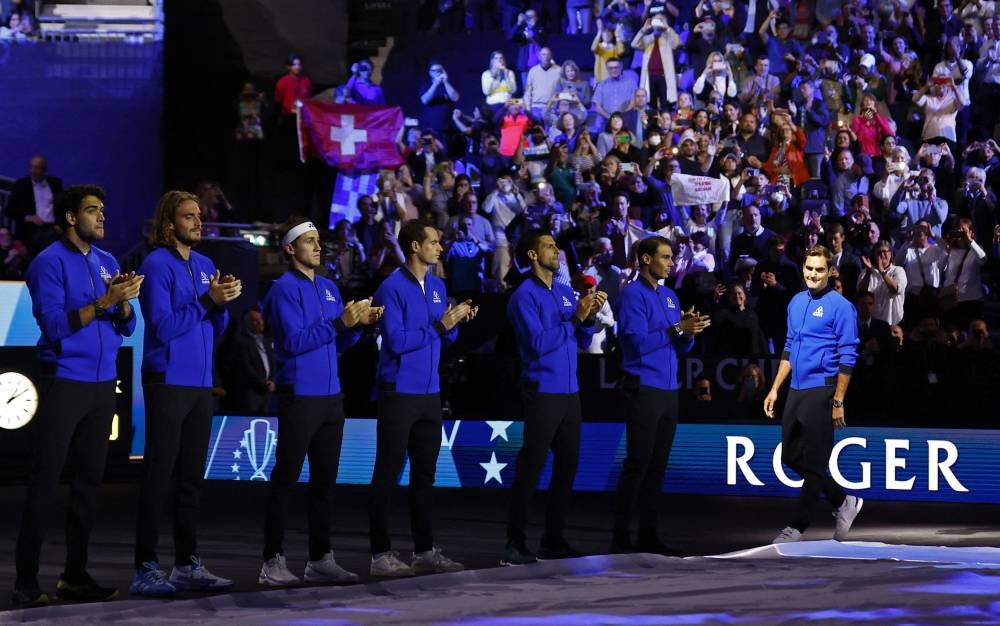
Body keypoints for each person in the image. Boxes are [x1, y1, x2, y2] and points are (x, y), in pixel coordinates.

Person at [13, 185, 141, 608]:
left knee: (89, 485)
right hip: (65, 380)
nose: (101, 217)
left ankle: (75, 576)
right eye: (92, 211)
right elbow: (53, 327)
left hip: (103, 385)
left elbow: (127, 325)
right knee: (45, 483)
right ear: (70, 218)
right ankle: (26, 581)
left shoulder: (107, 261)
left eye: (102, 210)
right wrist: (107, 301)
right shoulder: (47, 263)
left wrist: (122, 305)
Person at [258, 218, 382, 587]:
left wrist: (357, 327)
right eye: (309, 241)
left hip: (331, 396)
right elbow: (293, 342)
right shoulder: (283, 289)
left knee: (325, 482)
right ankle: (272, 560)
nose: (317, 247)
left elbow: (336, 344)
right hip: (300, 393)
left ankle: (320, 557)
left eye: (317, 241)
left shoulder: (328, 287)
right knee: (286, 479)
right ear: (290, 249)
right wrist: (342, 323)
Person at [132, 191, 242, 596]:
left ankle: (185, 563)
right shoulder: (156, 264)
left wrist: (223, 302)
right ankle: (144, 567)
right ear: (169, 222)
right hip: (167, 380)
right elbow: (161, 326)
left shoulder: (206, 264)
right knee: (159, 476)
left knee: (191, 480)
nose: (199, 222)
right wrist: (207, 301)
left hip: (199, 384)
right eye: (188, 216)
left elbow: (217, 327)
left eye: (199, 215)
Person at [368, 220, 477, 577]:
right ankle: (380, 554)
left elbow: (444, 340)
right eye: (433, 242)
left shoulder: (437, 285)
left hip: (430, 393)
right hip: (399, 392)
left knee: (425, 476)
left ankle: (424, 550)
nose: (439, 248)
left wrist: (457, 321)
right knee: (387, 473)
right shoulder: (390, 288)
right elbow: (397, 342)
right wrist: (440, 326)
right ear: (415, 247)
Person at [503, 229, 606, 565]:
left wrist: (588, 317)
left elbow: (580, 339)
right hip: (542, 390)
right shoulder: (523, 296)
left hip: (570, 392)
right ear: (532, 255)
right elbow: (536, 344)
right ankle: (515, 543)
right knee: (531, 468)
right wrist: (576, 317)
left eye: (556, 245)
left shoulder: (564, 292)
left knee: (567, 467)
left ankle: (553, 540)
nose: (556, 250)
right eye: (548, 246)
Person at [612, 236, 709, 555]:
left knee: (657, 466)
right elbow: (636, 343)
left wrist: (688, 332)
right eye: (665, 257)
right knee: (638, 463)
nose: (671, 263)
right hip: (643, 386)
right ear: (645, 260)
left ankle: (648, 534)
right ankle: (620, 536)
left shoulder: (669, 296)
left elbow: (680, 345)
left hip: (669, 390)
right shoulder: (632, 295)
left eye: (671, 258)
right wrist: (676, 331)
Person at [763, 245, 862, 544]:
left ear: (830, 272)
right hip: (796, 389)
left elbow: (848, 355)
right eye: (809, 268)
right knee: (791, 456)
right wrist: (775, 388)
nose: (813, 274)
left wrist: (838, 401)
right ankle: (844, 500)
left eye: (819, 269)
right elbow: (789, 346)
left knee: (816, 463)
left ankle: (797, 526)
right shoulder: (795, 302)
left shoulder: (842, 307)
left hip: (824, 388)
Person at [6, 155, 63, 253]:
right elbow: (9, 211)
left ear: (44, 169)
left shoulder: (55, 183)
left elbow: (63, 206)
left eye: (36, 168)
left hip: (52, 227)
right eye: (31, 167)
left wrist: (61, 224)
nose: (33, 171)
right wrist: (29, 217)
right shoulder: (21, 185)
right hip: (31, 229)